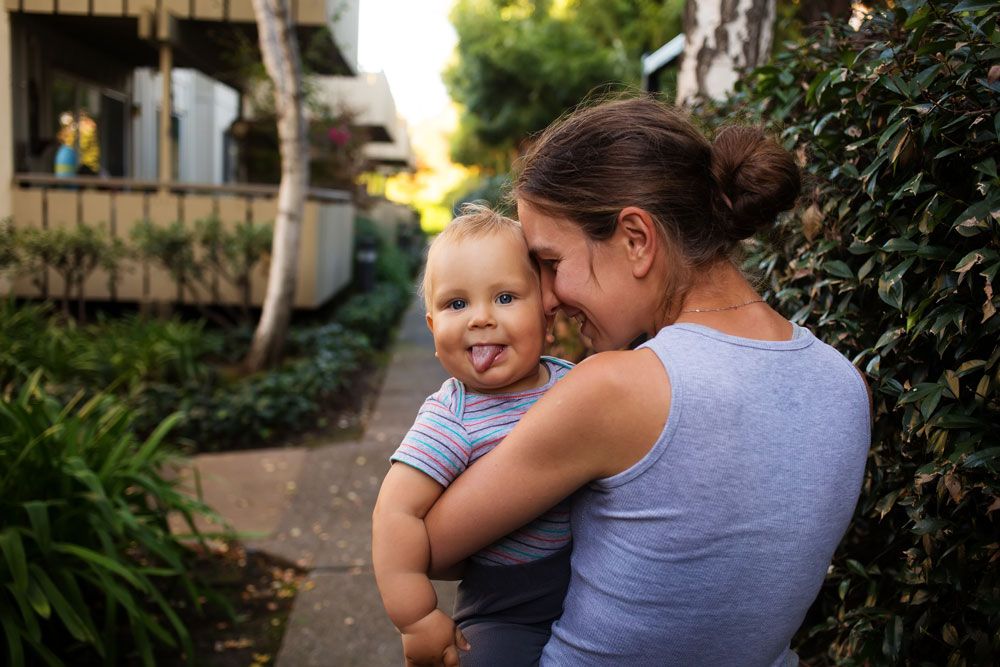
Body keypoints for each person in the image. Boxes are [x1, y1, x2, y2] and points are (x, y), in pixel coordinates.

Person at [418, 97, 872, 665]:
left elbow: (430, 545)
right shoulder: (845, 383)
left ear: (635, 239)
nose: (550, 299)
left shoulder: (618, 389)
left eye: (552, 263)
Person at [372, 205, 575, 667]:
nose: (480, 318)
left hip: (591, 580)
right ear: (431, 328)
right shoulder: (452, 416)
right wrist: (418, 617)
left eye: (504, 298)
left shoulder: (574, 384)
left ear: (546, 312)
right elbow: (395, 511)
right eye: (456, 304)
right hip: (506, 606)